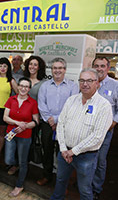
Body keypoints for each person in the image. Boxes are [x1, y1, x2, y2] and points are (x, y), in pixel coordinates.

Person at [51, 68, 112, 200]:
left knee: (84, 190)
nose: (85, 84)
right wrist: (63, 149)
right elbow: (60, 124)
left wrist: (73, 151)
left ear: (97, 83)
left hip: (86, 157)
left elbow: (97, 136)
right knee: (60, 182)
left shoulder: (104, 106)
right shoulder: (71, 100)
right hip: (64, 152)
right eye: (82, 80)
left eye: (89, 80)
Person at [37, 57, 79, 186]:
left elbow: (73, 106)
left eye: (60, 68)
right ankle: (47, 175)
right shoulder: (45, 86)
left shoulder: (73, 86)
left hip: (65, 125)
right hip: (47, 124)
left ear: (65, 70)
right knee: (47, 151)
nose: (57, 70)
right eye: (55, 68)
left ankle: (62, 181)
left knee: (63, 153)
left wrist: (56, 120)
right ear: (52, 70)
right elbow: (41, 105)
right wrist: (51, 121)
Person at [3, 77, 39, 197]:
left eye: (26, 86)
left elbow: (36, 121)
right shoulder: (11, 99)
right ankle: (15, 164)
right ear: (17, 87)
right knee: (8, 159)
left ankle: (19, 185)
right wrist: (17, 123)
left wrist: (25, 126)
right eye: (21, 86)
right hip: (10, 133)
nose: (23, 88)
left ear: (29, 89)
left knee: (23, 161)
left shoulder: (33, 102)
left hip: (25, 136)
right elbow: (5, 117)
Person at [92, 57, 118, 200]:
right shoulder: (89, 83)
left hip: (105, 132)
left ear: (108, 68)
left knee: (100, 161)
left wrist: (113, 123)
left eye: (102, 66)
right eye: (96, 65)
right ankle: (86, 183)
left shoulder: (115, 85)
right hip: (87, 130)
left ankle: (96, 188)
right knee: (87, 159)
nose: (99, 68)